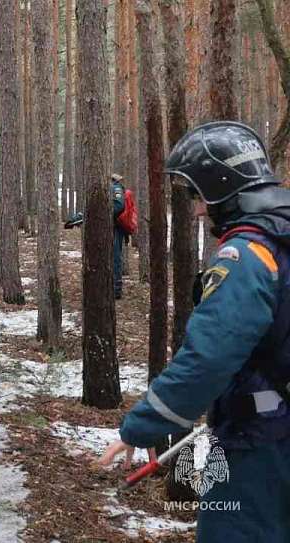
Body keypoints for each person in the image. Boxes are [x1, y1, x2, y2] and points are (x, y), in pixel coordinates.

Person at [97, 121, 290, 540]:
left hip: (261, 440)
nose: (198, 209)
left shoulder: (248, 256)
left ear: (224, 190)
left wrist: (140, 426)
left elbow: (208, 358)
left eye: (198, 196)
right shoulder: (281, 241)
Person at [112, 173, 128, 299]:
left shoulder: (116, 188)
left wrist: (105, 213)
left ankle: (116, 289)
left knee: (115, 256)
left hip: (116, 227)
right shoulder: (115, 187)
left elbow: (119, 206)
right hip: (114, 226)